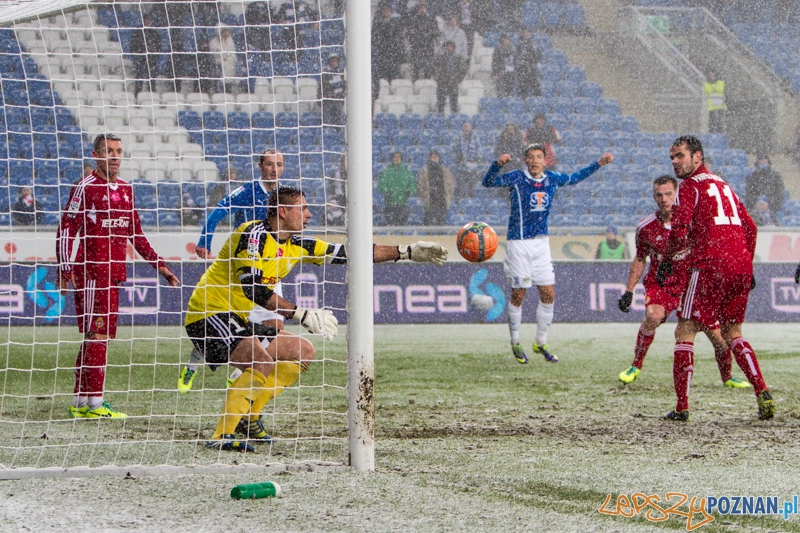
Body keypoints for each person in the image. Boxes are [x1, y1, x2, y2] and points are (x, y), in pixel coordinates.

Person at [187, 186, 447, 451]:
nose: (309, 214)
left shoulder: (298, 244)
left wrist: (406, 251)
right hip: (207, 313)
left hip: (235, 319)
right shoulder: (252, 235)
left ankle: (249, 417)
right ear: (283, 211)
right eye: (303, 208)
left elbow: (350, 253)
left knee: (303, 351)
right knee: (261, 361)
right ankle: (221, 436)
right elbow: (253, 289)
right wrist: (300, 314)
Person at [56, 133, 180, 419]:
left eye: (118, 151)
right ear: (96, 155)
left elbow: (136, 233)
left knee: (97, 337)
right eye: (108, 151)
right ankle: (95, 404)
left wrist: (159, 266)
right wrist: (65, 269)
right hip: (91, 272)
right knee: (97, 335)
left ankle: (81, 401)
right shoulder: (84, 187)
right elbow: (66, 230)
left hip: (113, 274)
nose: (114, 156)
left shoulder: (125, 189)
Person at [660, 135, 773, 421]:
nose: (675, 162)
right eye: (672, 157)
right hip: (740, 267)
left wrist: (667, 260)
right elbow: (750, 227)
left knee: (685, 329)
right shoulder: (724, 185)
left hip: (710, 265)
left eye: (680, 156)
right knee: (733, 332)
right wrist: (746, 262)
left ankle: (682, 407)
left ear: (697, 157)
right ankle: (762, 390)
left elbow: (679, 230)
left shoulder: (690, 186)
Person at [484, 144, 614, 364]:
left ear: (545, 161)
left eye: (539, 157)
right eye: (531, 157)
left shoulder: (552, 179)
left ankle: (541, 342)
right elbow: (488, 182)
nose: (535, 161)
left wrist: (598, 164)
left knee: (548, 293)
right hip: (519, 243)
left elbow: (575, 178)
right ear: (525, 161)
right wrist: (496, 165)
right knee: (519, 294)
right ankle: (515, 341)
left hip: (541, 244)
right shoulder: (516, 178)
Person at [616, 175, 749, 389]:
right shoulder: (646, 227)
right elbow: (640, 258)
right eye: (659, 195)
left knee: (718, 338)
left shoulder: (696, 221)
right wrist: (629, 290)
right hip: (662, 284)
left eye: (669, 194)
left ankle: (728, 377)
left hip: (692, 285)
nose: (664, 199)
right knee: (653, 316)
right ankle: (635, 365)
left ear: (677, 195)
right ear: (654, 197)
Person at [180, 149, 286, 393]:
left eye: (279, 164)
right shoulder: (247, 192)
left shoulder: (283, 195)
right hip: (243, 269)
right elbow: (217, 212)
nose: (275, 169)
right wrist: (205, 240)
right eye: (270, 164)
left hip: (269, 267)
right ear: (260, 166)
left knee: (275, 327)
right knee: (223, 325)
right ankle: (192, 366)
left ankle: (238, 375)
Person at [417, 150, 455, 226]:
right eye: (432, 157)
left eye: (436, 156)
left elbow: (451, 184)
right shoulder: (424, 170)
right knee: (428, 222)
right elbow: (420, 185)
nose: (434, 158)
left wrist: (448, 196)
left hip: (442, 200)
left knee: (441, 222)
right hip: (430, 200)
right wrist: (425, 196)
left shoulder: (445, 170)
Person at [378, 151, 417, 226]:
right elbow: (381, 186)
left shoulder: (407, 172)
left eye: (399, 157)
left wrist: (409, 191)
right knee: (391, 227)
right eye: (395, 157)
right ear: (392, 158)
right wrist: (388, 192)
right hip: (390, 205)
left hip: (403, 205)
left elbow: (413, 185)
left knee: (402, 227)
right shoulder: (386, 172)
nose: (397, 159)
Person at [129, 13, 162, 96]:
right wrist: (139, 56)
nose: (148, 22)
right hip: (141, 60)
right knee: (139, 80)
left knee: (152, 81)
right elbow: (133, 45)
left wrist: (154, 57)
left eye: (150, 20)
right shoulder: (138, 32)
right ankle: (138, 95)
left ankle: (152, 95)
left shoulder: (155, 32)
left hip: (151, 61)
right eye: (147, 20)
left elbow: (159, 46)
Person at [372, 3, 405, 84]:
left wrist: (396, 46)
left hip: (393, 52)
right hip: (383, 52)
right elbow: (375, 37)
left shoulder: (395, 23)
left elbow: (399, 37)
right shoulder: (378, 23)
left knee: (395, 74)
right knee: (383, 75)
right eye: (385, 10)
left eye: (388, 10)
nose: (387, 12)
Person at [406, 3, 439, 80]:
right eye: (420, 8)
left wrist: (431, 33)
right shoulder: (413, 20)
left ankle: (427, 82)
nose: (422, 10)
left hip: (428, 47)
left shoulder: (431, 20)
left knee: (428, 68)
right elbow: (409, 33)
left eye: (423, 8)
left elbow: (436, 32)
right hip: (416, 48)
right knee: (416, 68)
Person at [433, 40, 467, 114]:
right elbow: (434, 70)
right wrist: (439, 79)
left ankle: (453, 118)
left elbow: (463, 70)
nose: (449, 48)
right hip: (442, 83)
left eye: (451, 46)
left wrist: (457, 79)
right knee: (441, 104)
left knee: (454, 105)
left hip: (453, 83)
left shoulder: (458, 58)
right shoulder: (439, 58)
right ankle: (440, 118)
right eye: (447, 46)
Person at [209, 26, 240, 94]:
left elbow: (231, 52)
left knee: (229, 81)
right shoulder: (213, 42)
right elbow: (218, 53)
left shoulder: (230, 41)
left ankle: (228, 91)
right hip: (219, 63)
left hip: (229, 64)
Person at [454, 121, 480, 200]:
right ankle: (462, 202)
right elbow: (453, 151)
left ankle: (471, 201)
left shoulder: (475, 138)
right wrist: (458, 157)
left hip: (473, 168)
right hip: (461, 168)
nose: (466, 128)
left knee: (473, 188)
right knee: (462, 189)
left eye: (468, 126)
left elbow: (479, 150)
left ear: (470, 128)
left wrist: (476, 158)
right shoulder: (457, 138)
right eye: (465, 126)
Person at [320, 54, 345, 126]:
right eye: (332, 61)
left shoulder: (341, 72)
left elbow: (343, 86)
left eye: (335, 61)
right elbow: (323, 86)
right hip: (328, 100)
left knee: (339, 119)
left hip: (338, 100)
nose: (334, 62)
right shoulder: (325, 73)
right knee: (327, 120)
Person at [515, 29, 541, 98]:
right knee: (523, 86)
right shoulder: (520, 44)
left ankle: (536, 99)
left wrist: (532, 60)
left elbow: (538, 54)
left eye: (528, 32)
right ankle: (523, 99)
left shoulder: (534, 43)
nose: (527, 34)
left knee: (535, 85)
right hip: (523, 68)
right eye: (525, 32)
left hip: (532, 68)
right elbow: (519, 56)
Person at [491, 34, 516, 98]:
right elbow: (495, 62)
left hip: (510, 73)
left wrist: (515, 74)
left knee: (510, 90)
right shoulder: (498, 49)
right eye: (504, 39)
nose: (506, 41)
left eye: (507, 39)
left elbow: (515, 62)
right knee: (501, 90)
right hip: (501, 72)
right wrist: (495, 73)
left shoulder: (512, 49)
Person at [704, 69, 727, 134]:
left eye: (713, 73)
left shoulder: (721, 82)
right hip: (711, 107)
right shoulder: (705, 84)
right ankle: (712, 135)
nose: (711, 75)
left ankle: (720, 135)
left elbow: (725, 92)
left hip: (720, 106)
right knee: (711, 124)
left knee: (720, 124)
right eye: (710, 73)